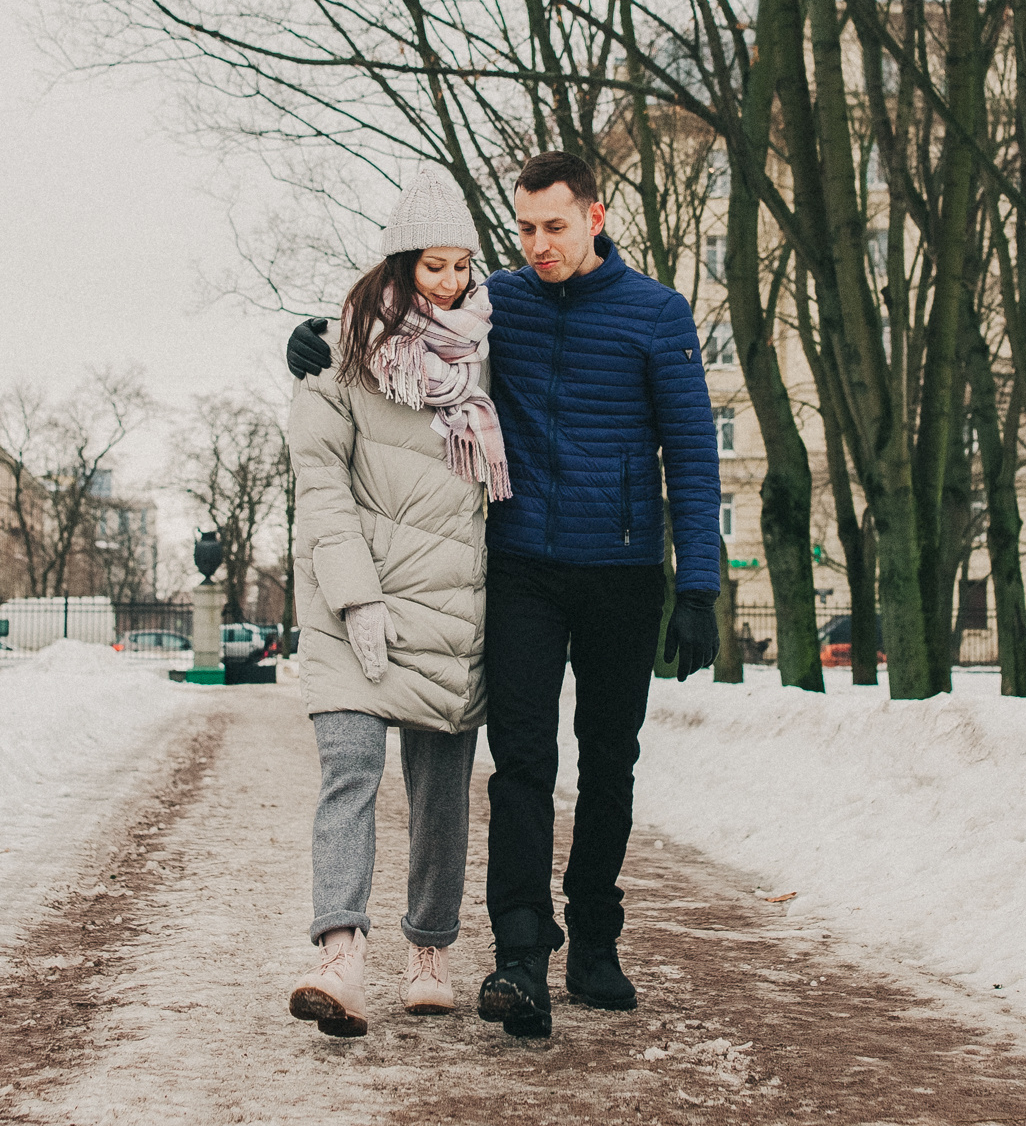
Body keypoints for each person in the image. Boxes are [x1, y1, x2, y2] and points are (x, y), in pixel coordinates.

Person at [290, 150, 721, 1039]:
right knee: (522, 763)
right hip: (523, 565)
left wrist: (700, 585)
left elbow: (694, 454)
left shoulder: (657, 313)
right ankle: (521, 955)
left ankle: (596, 940)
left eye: (555, 227)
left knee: (609, 760)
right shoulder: (500, 308)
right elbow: (401, 326)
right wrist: (306, 338)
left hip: (623, 571)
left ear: (595, 217)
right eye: (524, 230)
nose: (538, 246)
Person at [285, 167, 505, 1038]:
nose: (450, 282)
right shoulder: (338, 358)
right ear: (397, 264)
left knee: (441, 793)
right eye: (432, 266)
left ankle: (430, 951)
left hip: (450, 603)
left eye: (462, 265)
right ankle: (339, 957)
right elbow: (320, 487)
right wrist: (356, 598)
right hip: (352, 609)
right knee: (349, 772)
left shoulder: (494, 349)